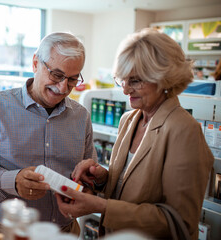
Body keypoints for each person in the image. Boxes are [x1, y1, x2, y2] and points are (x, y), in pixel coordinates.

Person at [55, 28, 214, 239]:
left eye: (136, 81)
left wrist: (102, 206)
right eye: (122, 79)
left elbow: (179, 223)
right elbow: (131, 185)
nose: (125, 90)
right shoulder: (129, 119)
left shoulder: (184, 130)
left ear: (164, 79)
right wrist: (102, 178)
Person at [0, 32, 97, 236]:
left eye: (72, 79)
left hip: (65, 230)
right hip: (8, 230)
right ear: (35, 63)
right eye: (57, 75)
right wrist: (12, 181)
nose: (62, 87)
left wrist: (89, 186)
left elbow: (88, 173)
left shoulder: (81, 116)